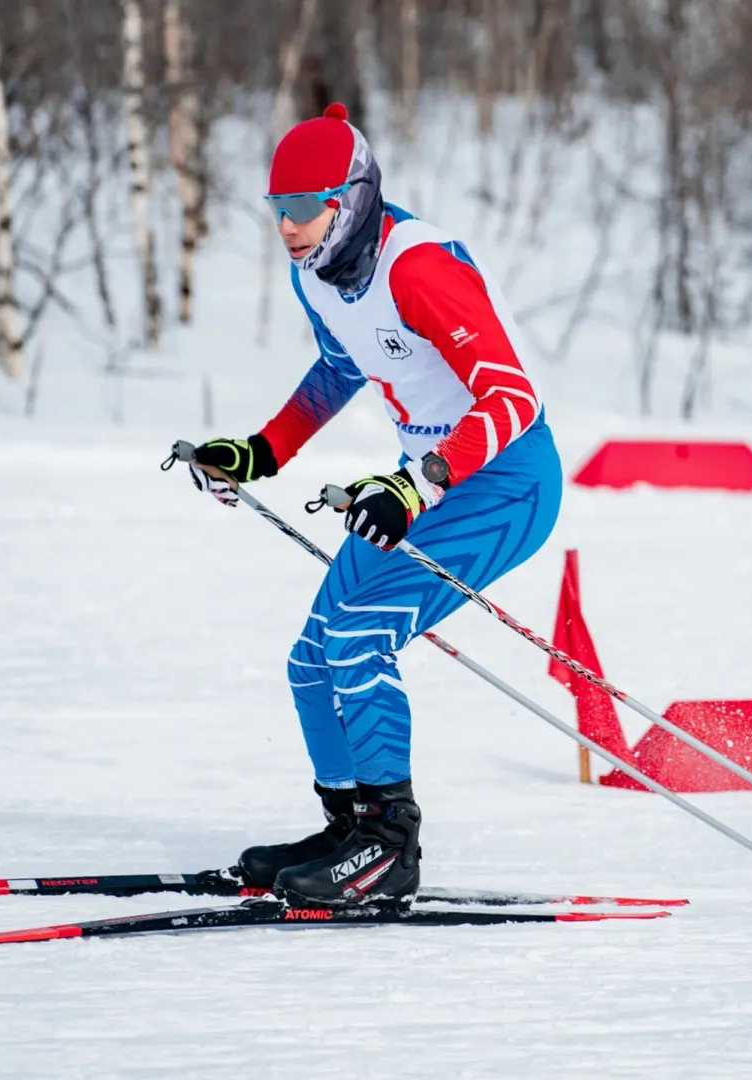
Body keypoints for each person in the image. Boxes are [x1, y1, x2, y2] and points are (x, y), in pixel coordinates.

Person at [185, 104, 561, 908]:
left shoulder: (418, 270)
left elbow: (512, 398)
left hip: (507, 479)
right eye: (276, 210)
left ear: (349, 199)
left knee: (361, 636)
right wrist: (262, 451)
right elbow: (338, 369)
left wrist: (418, 483)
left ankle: (391, 848)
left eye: (302, 209)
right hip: (420, 477)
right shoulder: (316, 270)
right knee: (314, 656)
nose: (285, 228)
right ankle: (349, 826)